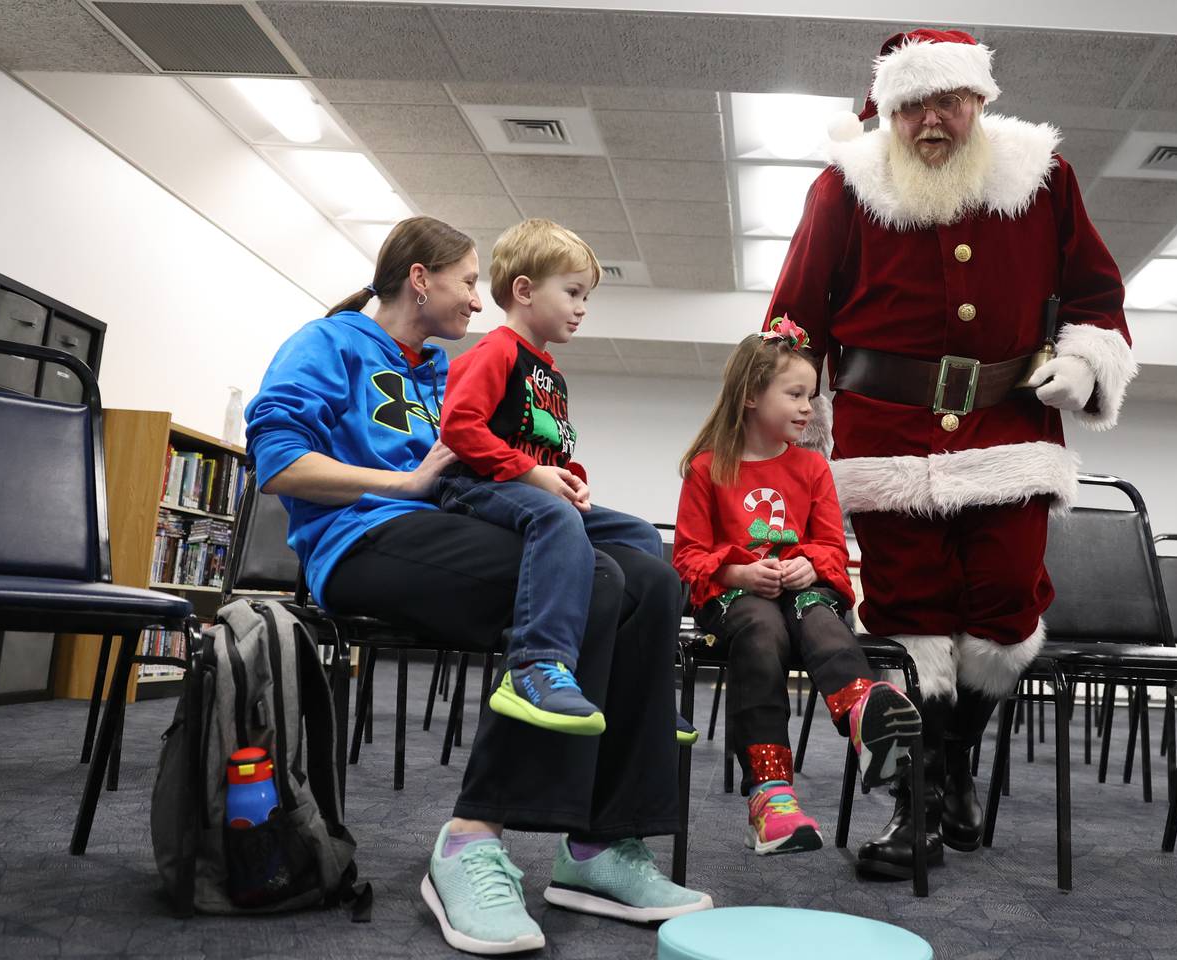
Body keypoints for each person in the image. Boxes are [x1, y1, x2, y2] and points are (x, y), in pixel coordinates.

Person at [245, 216, 711, 956]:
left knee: (648, 576)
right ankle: (470, 839)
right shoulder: (326, 343)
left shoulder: (441, 367)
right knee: (591, 579)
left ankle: (600, 845)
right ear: (420, 279)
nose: (476, 298)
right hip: (364, 540)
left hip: (457, 529)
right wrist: (401, 481)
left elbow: (493, 454)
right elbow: (277, 464)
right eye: (467, 281)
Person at [766, 27, 1135, 876]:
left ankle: (957, 756)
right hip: (884, 436)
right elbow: (793, 314)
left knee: (1006, 603)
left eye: (948, 102)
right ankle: (918, 798)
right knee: (907, 612)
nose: (931, 121)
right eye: (912, 106)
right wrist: (783, 414)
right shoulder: (845, 188)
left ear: (980, 101)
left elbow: (1097, 295)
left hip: (1010, 430)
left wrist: (1082, 363)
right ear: (889, 110)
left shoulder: (1043, 181)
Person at [672, 319, 922, 857]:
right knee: (761, 627)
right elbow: (688, 557)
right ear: (751, 396)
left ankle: (863, 714)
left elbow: (832, 547)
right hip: (737, 601)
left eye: (812, 395)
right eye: (796, 394)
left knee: (815, 613)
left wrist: (808, 564)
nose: (810, 407)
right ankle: (771, 795)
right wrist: (738, 572)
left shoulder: (812, 467)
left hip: (803, 594)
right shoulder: (707, 469)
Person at [434, 218, 686, 740]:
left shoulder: (551, 373)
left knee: (639, 536)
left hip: (528, 491)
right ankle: (533, 664)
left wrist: (572, 479)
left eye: (585, 296)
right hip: (476, 488)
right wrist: (530, 474)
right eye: (572, 292)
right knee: (553, 515)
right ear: (524, 291)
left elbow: (553, 449)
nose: (582, 307)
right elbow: (459, 428)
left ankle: (635, 691)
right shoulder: (495, 351)